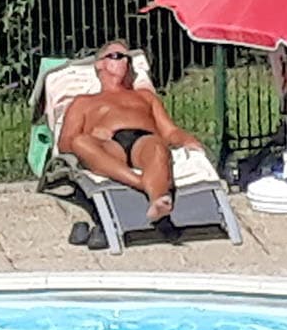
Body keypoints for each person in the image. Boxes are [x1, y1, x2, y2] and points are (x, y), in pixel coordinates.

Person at [56, 42, 209, 229]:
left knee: (157, 148)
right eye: (117, 56)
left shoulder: (145, 96)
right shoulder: (83, 102)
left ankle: (158, 201)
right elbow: (65, 143)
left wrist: (187, 140)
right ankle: (142, 183)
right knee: (81, 142)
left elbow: (169, 131)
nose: (125, 62)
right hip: (109, 146)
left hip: (144, 141)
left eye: (127, 58)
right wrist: (93, 135)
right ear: (100, 64)